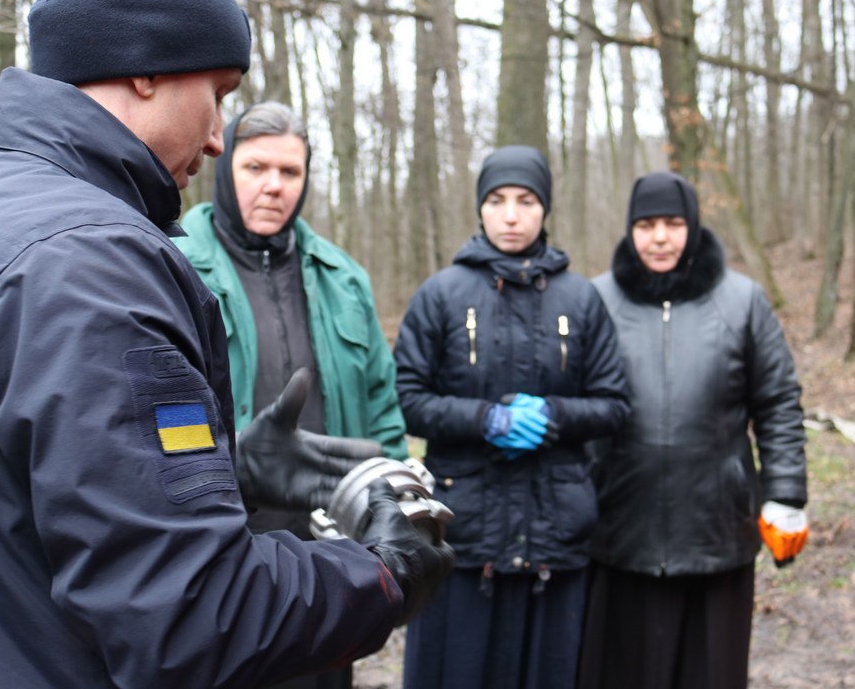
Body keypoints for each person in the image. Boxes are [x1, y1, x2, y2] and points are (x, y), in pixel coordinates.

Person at [0, 0, 452, 689]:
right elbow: (191, 616)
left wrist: (228, 470)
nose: (218, 137)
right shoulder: (91, 260)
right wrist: (381, 573)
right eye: (218, 94)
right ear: (147, 68)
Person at [173, 100, 408, 688]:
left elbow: (382, 409)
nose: (274, 186)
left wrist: (394, 509)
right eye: (256, 168)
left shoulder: (343, 277)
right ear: (225, 167)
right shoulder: (172, 263)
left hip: (326, 564)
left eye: (289, 171)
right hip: (220, 561)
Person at [394, 145, 631, 689]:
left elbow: (614, 403)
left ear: (545, 208)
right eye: (497, 200)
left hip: (554, 531)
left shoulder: (581, 299)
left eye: (526, 201)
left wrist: (553, 415)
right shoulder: (441, 295)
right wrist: (486, 420)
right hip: (463, 531)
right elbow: (407, 398)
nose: (511, 215)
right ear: (480, 207)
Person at [577, 171, 809, 689]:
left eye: (672, 223)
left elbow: (777, 404)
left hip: (715, 533)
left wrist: (786, 493)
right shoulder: (596, 300)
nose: (659, 237)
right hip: (619, 530)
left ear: (694, 225)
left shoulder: (742, 302)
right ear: (630, 229)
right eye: (646, 225)